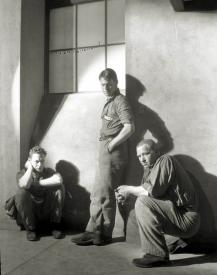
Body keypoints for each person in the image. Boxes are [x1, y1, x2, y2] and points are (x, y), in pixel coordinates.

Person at [73, 68, 135, 245]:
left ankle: (103, 233)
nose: (106, 87)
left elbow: (130, 127)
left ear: (116, 83)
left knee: (105, 193)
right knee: (98, 193)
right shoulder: (110, 101)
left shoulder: (120, 101)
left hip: (113, 152)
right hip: (105, 150)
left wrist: (112, 144)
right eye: (102, 84)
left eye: (109, 84)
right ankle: (93, 230)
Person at [116, 139, 200, 268]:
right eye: (139, 156)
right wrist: (126, 196)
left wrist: (128, 189)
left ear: (156, 152)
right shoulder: (148, 171)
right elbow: (151, 196)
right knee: (134, 214)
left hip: (186, 218)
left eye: (145, 154)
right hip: (175, 216)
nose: (141, 159)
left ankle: (157, 255)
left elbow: (149, 192)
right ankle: (174, 241)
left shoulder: (165, 160)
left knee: (143, 202)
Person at [15, 146, 65, 241]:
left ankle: (55, 225)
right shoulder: (23, 173)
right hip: (30, 214)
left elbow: (59, 179)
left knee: (60, 188)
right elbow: (24, 184)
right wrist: (29, 168)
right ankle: (31, 229)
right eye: (36, 161)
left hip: (45, 211)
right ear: (29, 161)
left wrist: (36, 184)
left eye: (42, 161)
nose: (40, 164)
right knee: (21, 193)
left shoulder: (49, 171)